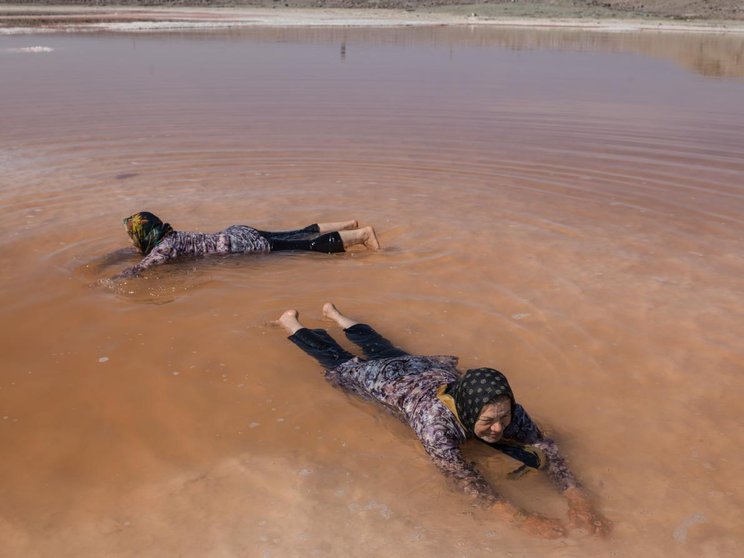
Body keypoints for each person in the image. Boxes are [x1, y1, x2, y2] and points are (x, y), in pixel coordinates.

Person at [275, 303, 610, 539]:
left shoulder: (504, 406)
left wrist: (577, 497)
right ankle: (291, 323)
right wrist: (519, 519)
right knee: (339, 361)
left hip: (422, 369)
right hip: (383, 381)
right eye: (489, 422)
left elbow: (543, 446)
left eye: (503, 418)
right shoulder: (435, 426)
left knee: (384, 346)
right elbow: (463, 479)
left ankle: (336, 314)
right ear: (466, 411)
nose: (499, 428)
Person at [116, 211, 380, 278]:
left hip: (240, 246)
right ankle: (348, 224)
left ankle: (362, 235)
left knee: (305, 248)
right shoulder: (170, 237)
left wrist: (109, 283)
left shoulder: (164, 249)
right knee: (296, 234)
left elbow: (138, 271)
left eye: (132, 235)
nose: (131, 240)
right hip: (237, 232)